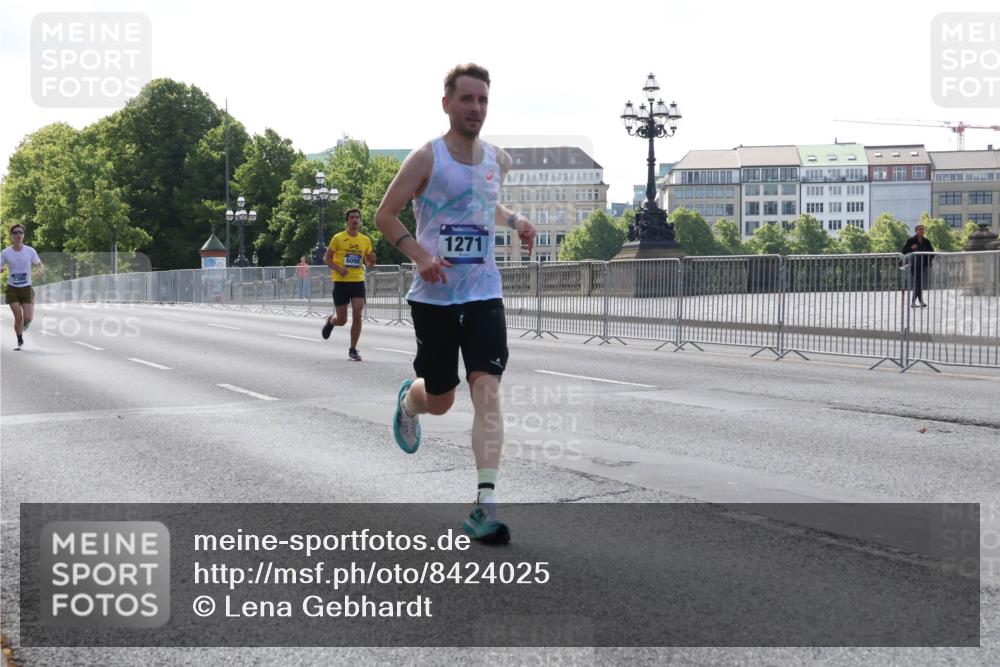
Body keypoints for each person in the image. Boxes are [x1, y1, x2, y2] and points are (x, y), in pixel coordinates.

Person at [375, 63, 536, 544]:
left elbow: (484, 203)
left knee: (487, 391)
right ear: (447, 103)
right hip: (435, 298)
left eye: (483, 100)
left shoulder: (498, 159)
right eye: (467, 99)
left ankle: (484, 504)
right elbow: (386, 215)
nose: (476, 109)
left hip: (484, 292)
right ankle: (411, 399)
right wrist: (421, 255)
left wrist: (516, 221)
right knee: (441, 400)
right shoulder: (427, 158)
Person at [321, 209, 376, 360]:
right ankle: (332, 321)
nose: (354, 220)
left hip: (357, 280)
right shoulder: (338, 238)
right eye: (351, 217)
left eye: (357, 217)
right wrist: (339, 269)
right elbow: (326, 259)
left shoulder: (365, 240)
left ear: (360, 221)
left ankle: (353, 349)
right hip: (341, 281)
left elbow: (369, 262)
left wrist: (372, 259)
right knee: (342, 320)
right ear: (347, 221)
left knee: (358, 312)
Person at [2, 223, 44, 350]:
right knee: (18, 317)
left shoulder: (30, 251)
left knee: (28, 318)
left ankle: (25, 324)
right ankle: (19, 339)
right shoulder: (5, 253)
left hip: (26, 288)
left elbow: (39, 264)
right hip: (12, 288)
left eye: (20, 232)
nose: (18, 235)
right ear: (11, 236)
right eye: (15, 233)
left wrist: (40, 270)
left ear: (23, 235)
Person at [901, 223, 934, 307]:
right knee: (918, 282)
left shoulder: (926, 241)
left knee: (919, 283)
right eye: (920, 229)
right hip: (914, 264)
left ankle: (919, 302)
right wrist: (911, 248)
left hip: (923, 264)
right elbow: (903, 251)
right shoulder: (911, 240)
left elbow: (932, 252)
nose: (922, 231)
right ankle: (914, 302)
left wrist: (928, 260)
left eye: (923, 229)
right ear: (916, 231)